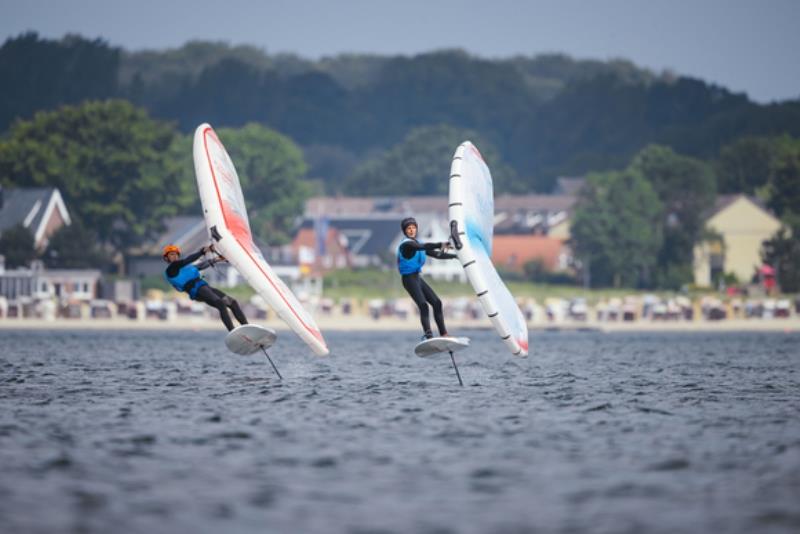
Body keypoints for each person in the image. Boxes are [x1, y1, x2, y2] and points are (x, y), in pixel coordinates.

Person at [162, 244, 248, 332]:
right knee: (221, 303)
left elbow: (199, 266)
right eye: (171, 254)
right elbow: (188, 260)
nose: (175, 256)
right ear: (166, 258)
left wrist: (216, 260)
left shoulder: (184, 267)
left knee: (232, 302)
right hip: (197, 290)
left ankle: (248, 329)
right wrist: (202, 251)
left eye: (176, 254)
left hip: (204, 287)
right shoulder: (171, 269)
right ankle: (233, 332)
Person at [397, 217, 457, 340]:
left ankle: (444, 333)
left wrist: (455, 256)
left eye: (414, 227)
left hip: (417, 278)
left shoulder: (418, 243)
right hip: (408, 280)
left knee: (437, 303)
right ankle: (428, 335)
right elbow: (424, 246)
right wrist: (440, 244)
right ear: (405, 231)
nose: (412, 230)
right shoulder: (407, 245)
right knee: (423, 305)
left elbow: (436, 254)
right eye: (409, 228)